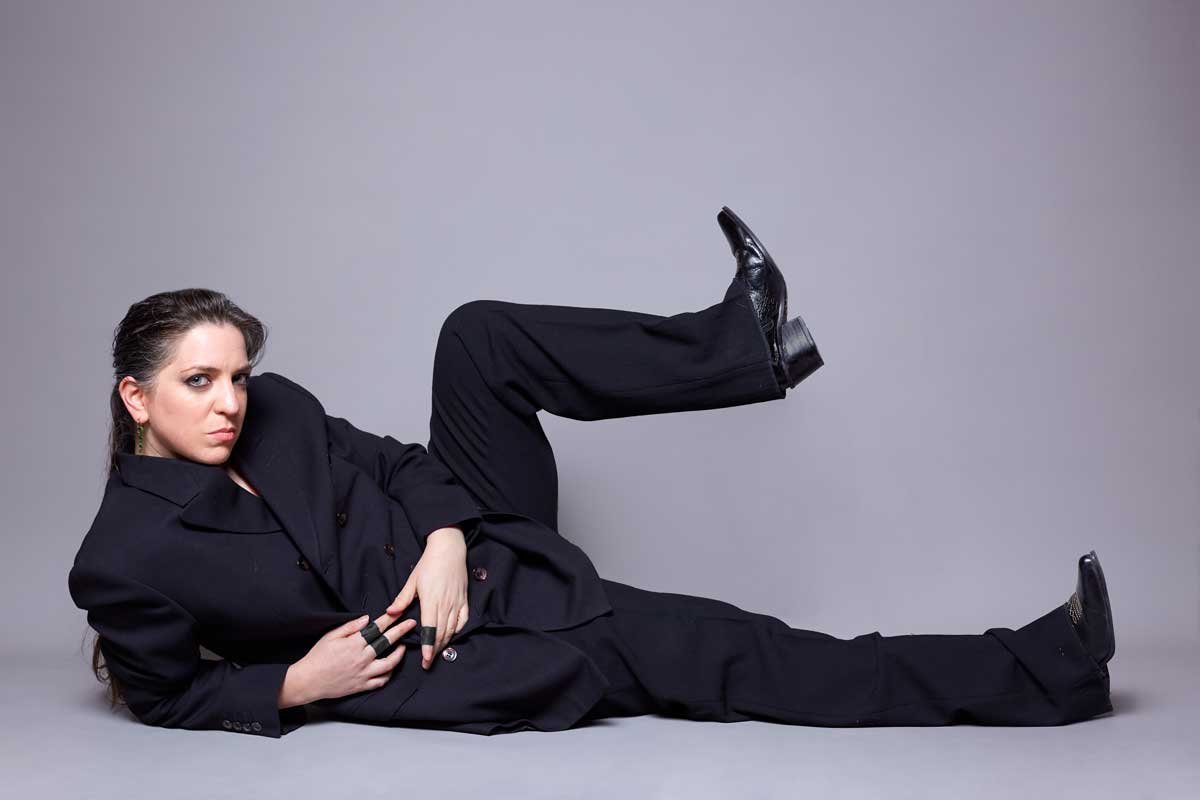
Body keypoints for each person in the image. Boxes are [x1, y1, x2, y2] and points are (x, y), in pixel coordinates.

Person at [68, 207, 1115, 738]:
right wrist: (301, 682)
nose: (230, 401)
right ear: (135, 397)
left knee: (476, 336)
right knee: (739, 649)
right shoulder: (123, 556)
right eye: (199, 382)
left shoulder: (279, 408)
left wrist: (445, 536)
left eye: (236, 375)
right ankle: (1042, 668)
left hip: (471, 544)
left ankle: (741, 345)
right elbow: (168, 695)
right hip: (465, 644)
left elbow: (399, 463)